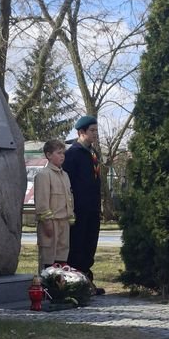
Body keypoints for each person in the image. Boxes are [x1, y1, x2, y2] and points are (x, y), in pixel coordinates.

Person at [63, 115, 105, 294]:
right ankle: (76, 283)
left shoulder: (91, 153)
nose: (95, 134)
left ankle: (87, 280)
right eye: (92, 131)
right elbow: (68, 182)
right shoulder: (72, 154)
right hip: (79, 209)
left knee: (90, 245)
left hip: (92, 208)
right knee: (78, 246)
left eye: (96, 130)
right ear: (81, 132)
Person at [34, 139, 74, 270]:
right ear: (49, 155)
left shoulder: (65, 175)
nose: (62, 156)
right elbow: (42, 203)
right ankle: (46, 288)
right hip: (51, 224)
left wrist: (70, 217)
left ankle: (60, 288)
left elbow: (69, 198)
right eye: (58, 153)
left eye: (63, 153)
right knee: (48, 258)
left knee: (62, 258)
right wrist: (47, 223)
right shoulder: (44, 175)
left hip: (64, 222)